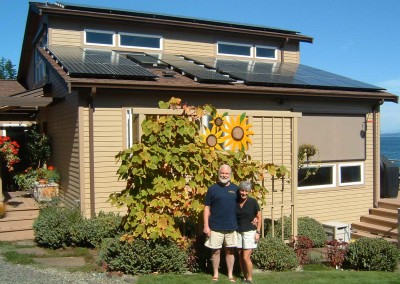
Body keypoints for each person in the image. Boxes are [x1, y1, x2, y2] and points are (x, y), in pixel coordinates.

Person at [203, 164, 239, 282]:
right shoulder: (212, 189)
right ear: (219, 174)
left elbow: (242, 206)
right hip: (215, 226)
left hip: (231, 226)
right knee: (216, 250)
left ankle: (230, 274)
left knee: (230, 251)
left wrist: (253, 217)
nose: (224, 175)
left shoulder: (236, 189)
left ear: (230, 175)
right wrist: (206, 226)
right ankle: (215, 273)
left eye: (226, 173)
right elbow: (207, 208)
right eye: (222, 173)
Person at [236, 181, 261, 284]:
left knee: (246, 257)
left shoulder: (253, 202)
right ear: (239, 190)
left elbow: (259, 217)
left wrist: (258, 232)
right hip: (237, 232)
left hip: (249, 232)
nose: (244, 193)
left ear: (249, 192)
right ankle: (245, 277)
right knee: (240, 256)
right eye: (242, 190)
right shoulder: (235, 201)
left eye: (246, 191)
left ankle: (250, 279)